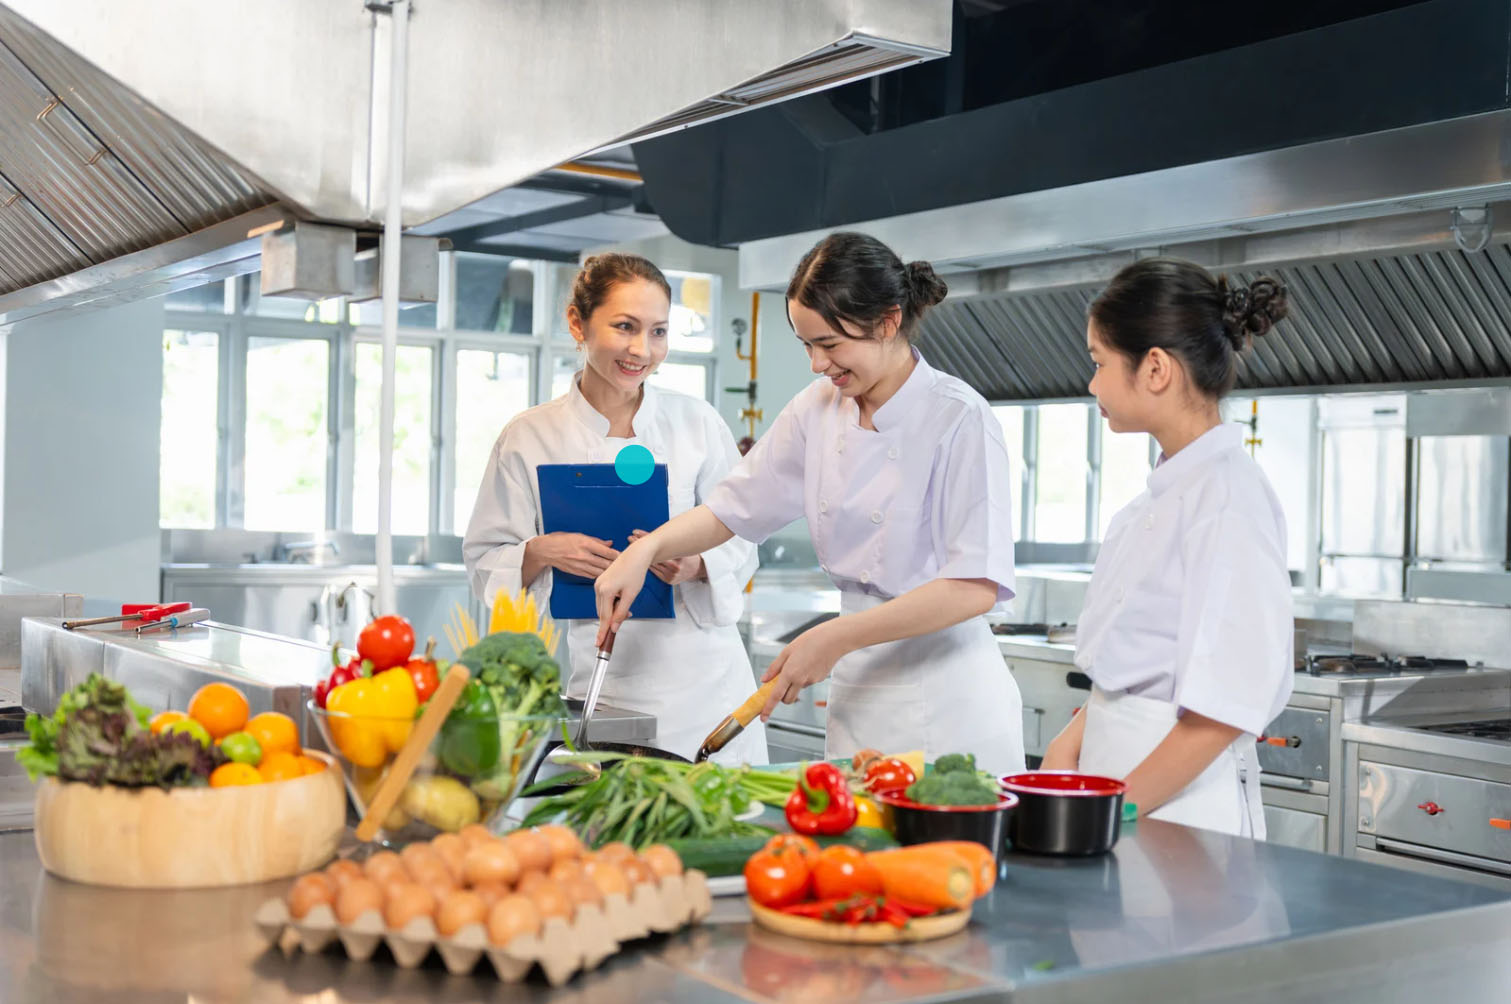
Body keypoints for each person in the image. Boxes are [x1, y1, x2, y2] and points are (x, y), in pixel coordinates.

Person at [593, 232, 1025, 775]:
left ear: (888, 322)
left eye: (831, 344)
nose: (818, 363)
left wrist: (836, 636)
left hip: (948, 698)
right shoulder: (817, 409)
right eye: (806, 345)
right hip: (857, 694)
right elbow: (733, 509)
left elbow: (975, 585)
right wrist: (647, 549)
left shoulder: (959, 417)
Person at [462, 253, 766, 765]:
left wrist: (693, 563)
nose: (641, 350)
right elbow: (484, 559)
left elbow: (742, 534)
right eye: (624, 327)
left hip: (711, 687)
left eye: (658, 332)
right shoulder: (530, 436)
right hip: (607, 686)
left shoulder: (697, 422)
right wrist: (542, 551)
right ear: (577, 323)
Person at [1040, 257, 1293, 837]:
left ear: (1155, 369)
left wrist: (1112, 814)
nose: (1092, 384)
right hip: (1118, 791)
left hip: (1181, 807)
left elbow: (1218, 714)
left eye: (1099, 364)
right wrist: (1068, 745)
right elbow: (1131, 672)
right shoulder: (1160, 498)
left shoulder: (1229, 500)